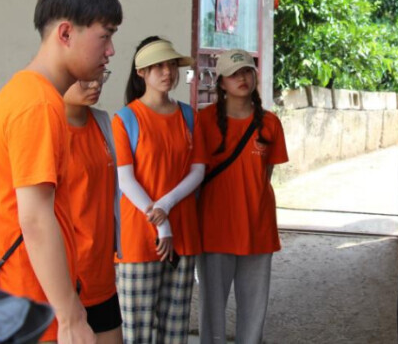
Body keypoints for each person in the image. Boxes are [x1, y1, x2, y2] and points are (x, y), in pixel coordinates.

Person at [0, 0, 122, 344]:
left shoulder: (19, 93)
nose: (111, 50)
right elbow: (35, 218)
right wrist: (70, 316)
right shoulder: (38, 105)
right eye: (105, 36)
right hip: (31, 304)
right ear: (66, 33)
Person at [112, 36, 204, 344]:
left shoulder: (188, 116)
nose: (167, 72)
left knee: (175, 330)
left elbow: (197, 170)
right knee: (136, 332)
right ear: (141, 72)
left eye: (171, 65)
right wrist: (162, 223)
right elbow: (125, 180)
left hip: (184, 235)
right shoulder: (126, 119)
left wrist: (165, 205)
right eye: (158, 66)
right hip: (138, 238)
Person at [197, 49, 288, 344]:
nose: (242, 78)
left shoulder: (270, 123)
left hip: (257, 228)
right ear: (221, 82)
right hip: (215, 229)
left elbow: (265, 175)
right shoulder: (203, 121)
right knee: (212, 314)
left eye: (247, 71)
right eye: (234, 74)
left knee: (254, 314)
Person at [63, 70, 122, 344]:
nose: (96, 84)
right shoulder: (49, 128)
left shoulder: (101, 121)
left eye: (101, 75)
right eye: (86, 78)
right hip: (65, 276)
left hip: (100, 271)